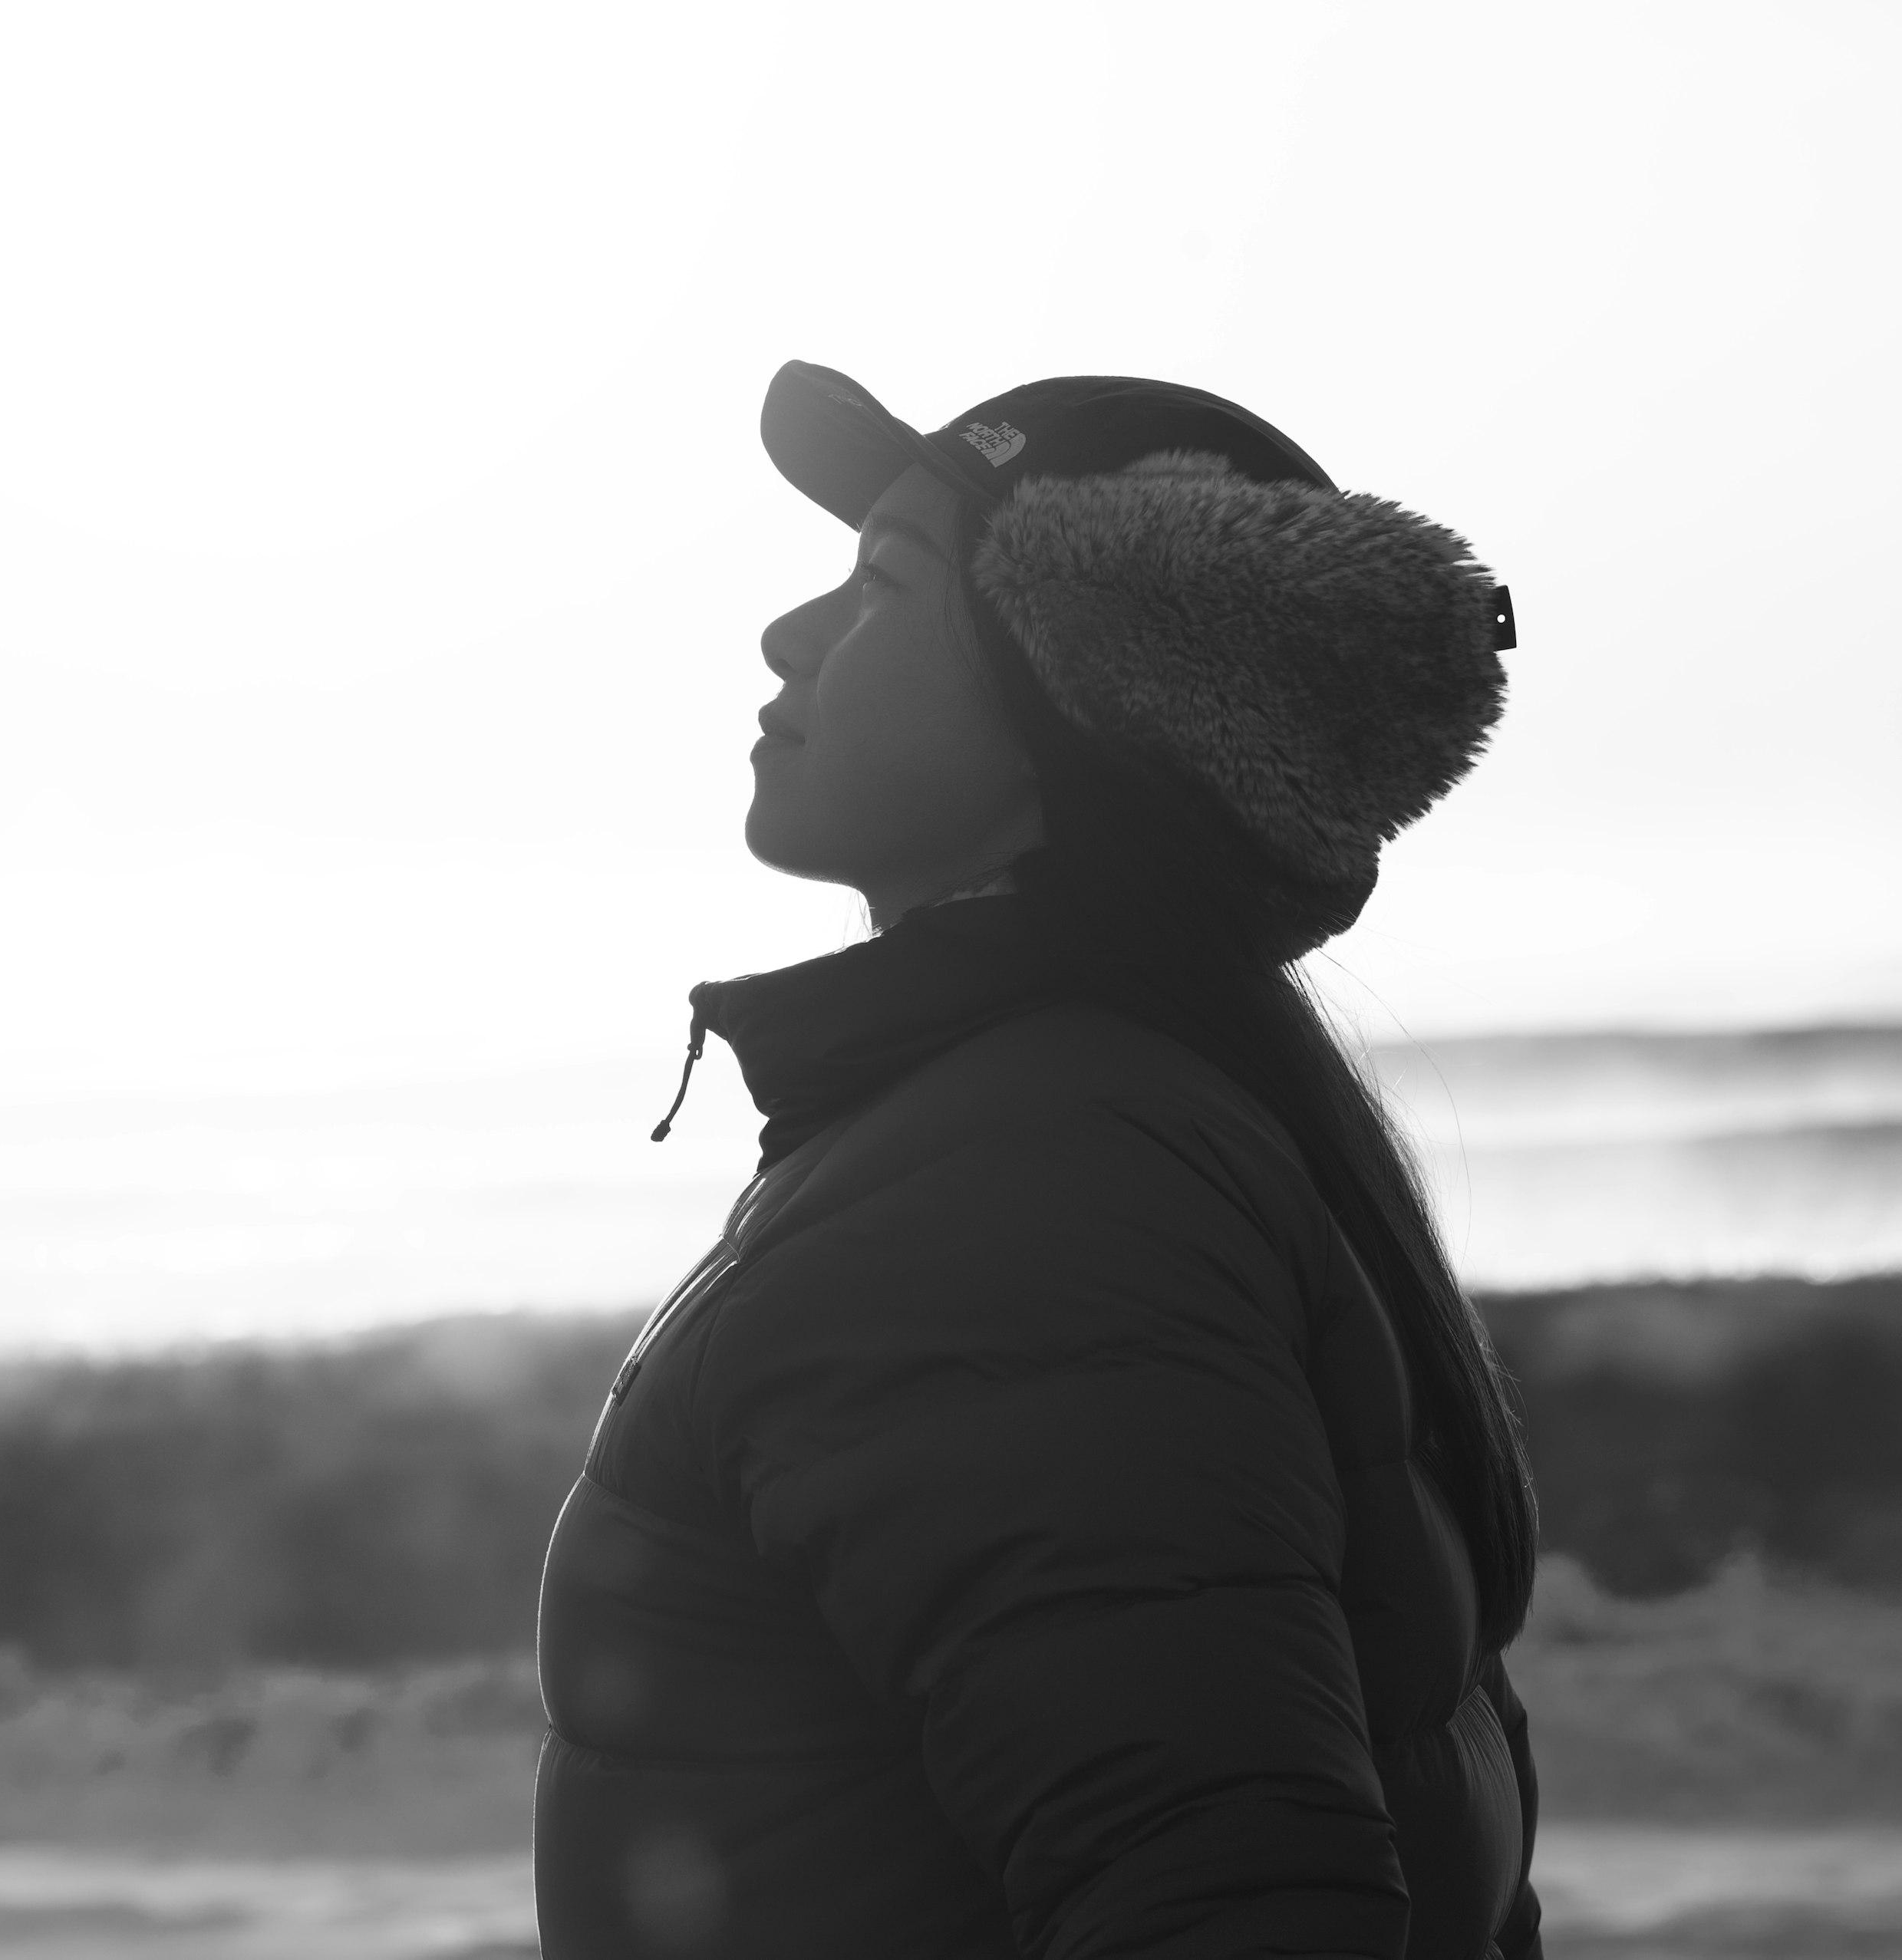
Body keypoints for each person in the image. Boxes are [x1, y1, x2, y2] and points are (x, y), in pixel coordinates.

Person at [532, 365, 1542, 1959]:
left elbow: (1225, 1901)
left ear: (1070, 702)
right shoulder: (1115, 1120)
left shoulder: (1024, 1193)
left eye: (883, 585)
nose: (790, 637)